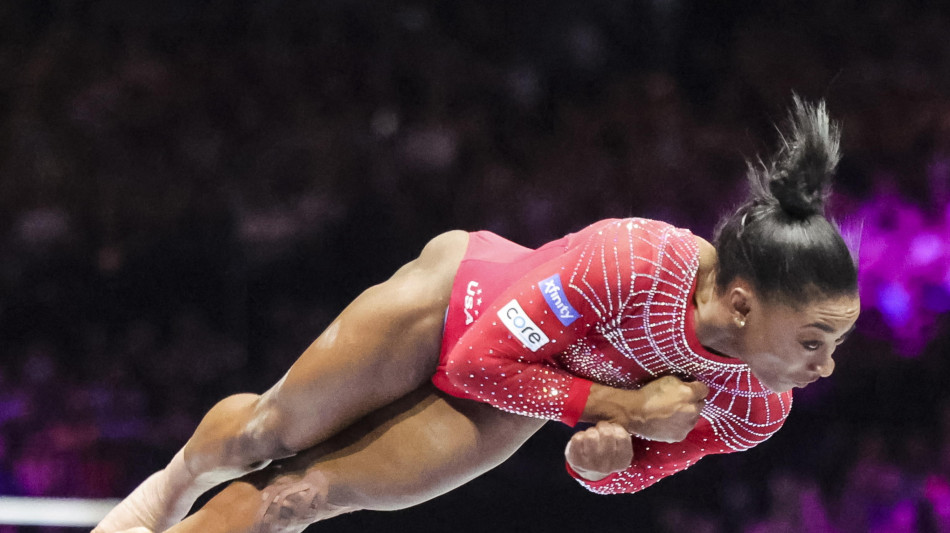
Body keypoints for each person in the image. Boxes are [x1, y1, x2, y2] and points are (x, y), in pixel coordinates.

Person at [95, 97, 860, 532]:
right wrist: (622, 404)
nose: (825, 365)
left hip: (522, 393)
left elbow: (629, 473)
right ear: (741, 301)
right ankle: (176, 480)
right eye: (815, 338)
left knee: (299, 494)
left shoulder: (757, 408)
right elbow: (472, 360)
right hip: (457, 302)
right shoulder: (636, 260)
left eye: (837, 343)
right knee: (271, 431)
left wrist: (603, 465)